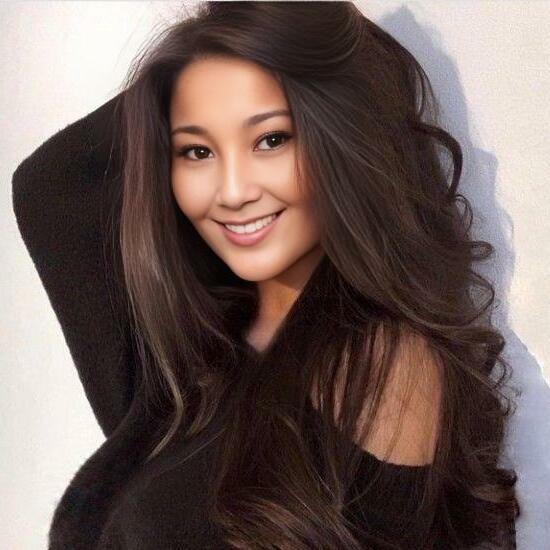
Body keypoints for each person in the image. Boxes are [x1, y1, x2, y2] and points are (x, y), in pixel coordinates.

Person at [12, 2, 519, 548]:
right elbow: (52, 187)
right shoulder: (191, 360)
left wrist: (296, 39)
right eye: (198, 151)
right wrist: (202, 52)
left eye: (271, 140)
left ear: (340, 140)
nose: (232, 192)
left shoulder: (376, 362)